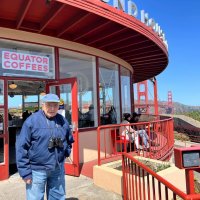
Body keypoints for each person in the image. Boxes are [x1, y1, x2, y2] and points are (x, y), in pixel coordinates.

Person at [16, 93, 74, 200]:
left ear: (58, 106)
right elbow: (21, 148)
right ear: (43, 105)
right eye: (49, 105)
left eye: (55, 105)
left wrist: (65, 154)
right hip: (37, 170)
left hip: (57, 168)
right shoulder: (31, 121)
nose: (52, 108)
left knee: (58, 197)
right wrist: (25, 173)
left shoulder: (62, 120)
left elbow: (69, 139)